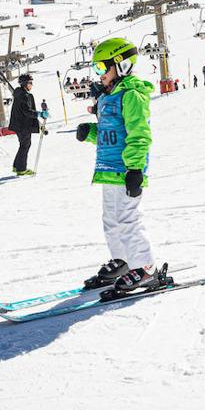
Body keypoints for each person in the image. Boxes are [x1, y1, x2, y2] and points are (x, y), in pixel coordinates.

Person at [74, 38, 158, 293]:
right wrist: (89, 132)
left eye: (102, 68)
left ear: (120, 66)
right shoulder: (107, 97)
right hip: (108, 170)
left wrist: (134, 169)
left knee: (127, 219)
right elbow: (110, 133)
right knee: (111, 221)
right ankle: (123, 262)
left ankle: (145, 268)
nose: (99, 74)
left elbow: (138, 134)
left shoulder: (132, 95)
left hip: (126, 171)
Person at [9, 74, 44, 176]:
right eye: (30, 83)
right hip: (23, 125)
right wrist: (38, 114)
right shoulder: (24, 95)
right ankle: (21, 169)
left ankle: (17, 166)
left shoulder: (20, 94)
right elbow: (26, 111)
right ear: (25, 84)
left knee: (23, 145)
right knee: (25, 145)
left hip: (19, 124)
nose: (31, 85)